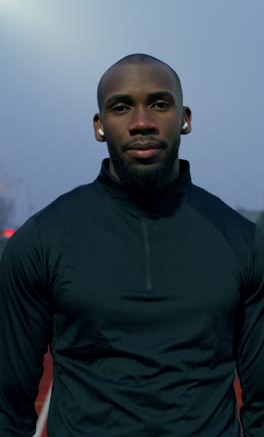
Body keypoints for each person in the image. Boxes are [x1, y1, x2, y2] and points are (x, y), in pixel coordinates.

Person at [0, 53, 263, 437]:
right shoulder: (41, 241)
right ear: (99, 126)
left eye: (159, 104)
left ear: (185, 119)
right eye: (121, 107)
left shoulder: (243, 241)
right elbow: (8, 405)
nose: (142, 123)